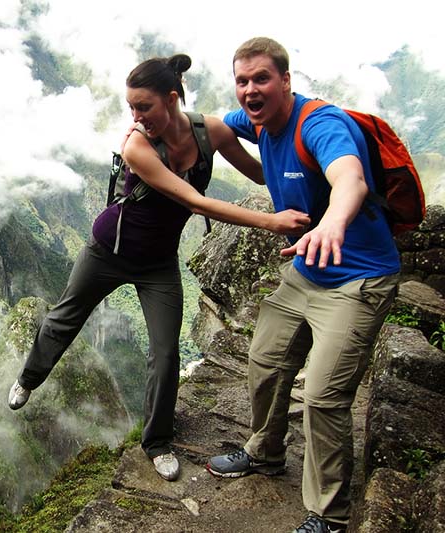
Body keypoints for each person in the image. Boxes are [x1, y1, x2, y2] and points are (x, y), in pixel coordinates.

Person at [7, 53, 311, 482]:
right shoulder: (137, 145)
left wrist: (305, 172)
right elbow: (193, 201)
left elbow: (263, 175)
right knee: (64, 320)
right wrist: (271, 221)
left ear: (171, 99)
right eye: (131, 108)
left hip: (158, 263)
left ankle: (157, 443)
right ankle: (28, 379)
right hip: (107, 250)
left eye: (143, 107)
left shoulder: (214, 132)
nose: (135, 117)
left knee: (166, 354)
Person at [205, 37, 400, 533]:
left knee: (323, 396)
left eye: (262, 79)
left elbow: (350, 179)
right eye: (242, 80)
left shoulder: (319, 124)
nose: (250, 89)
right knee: (266, 360)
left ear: (286, 82)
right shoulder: (254, 120)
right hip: (305, 272)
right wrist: (151, 119)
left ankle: (329, 516)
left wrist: (333, 223)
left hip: (358, 279)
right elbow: (210, 127)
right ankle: (266, 452)